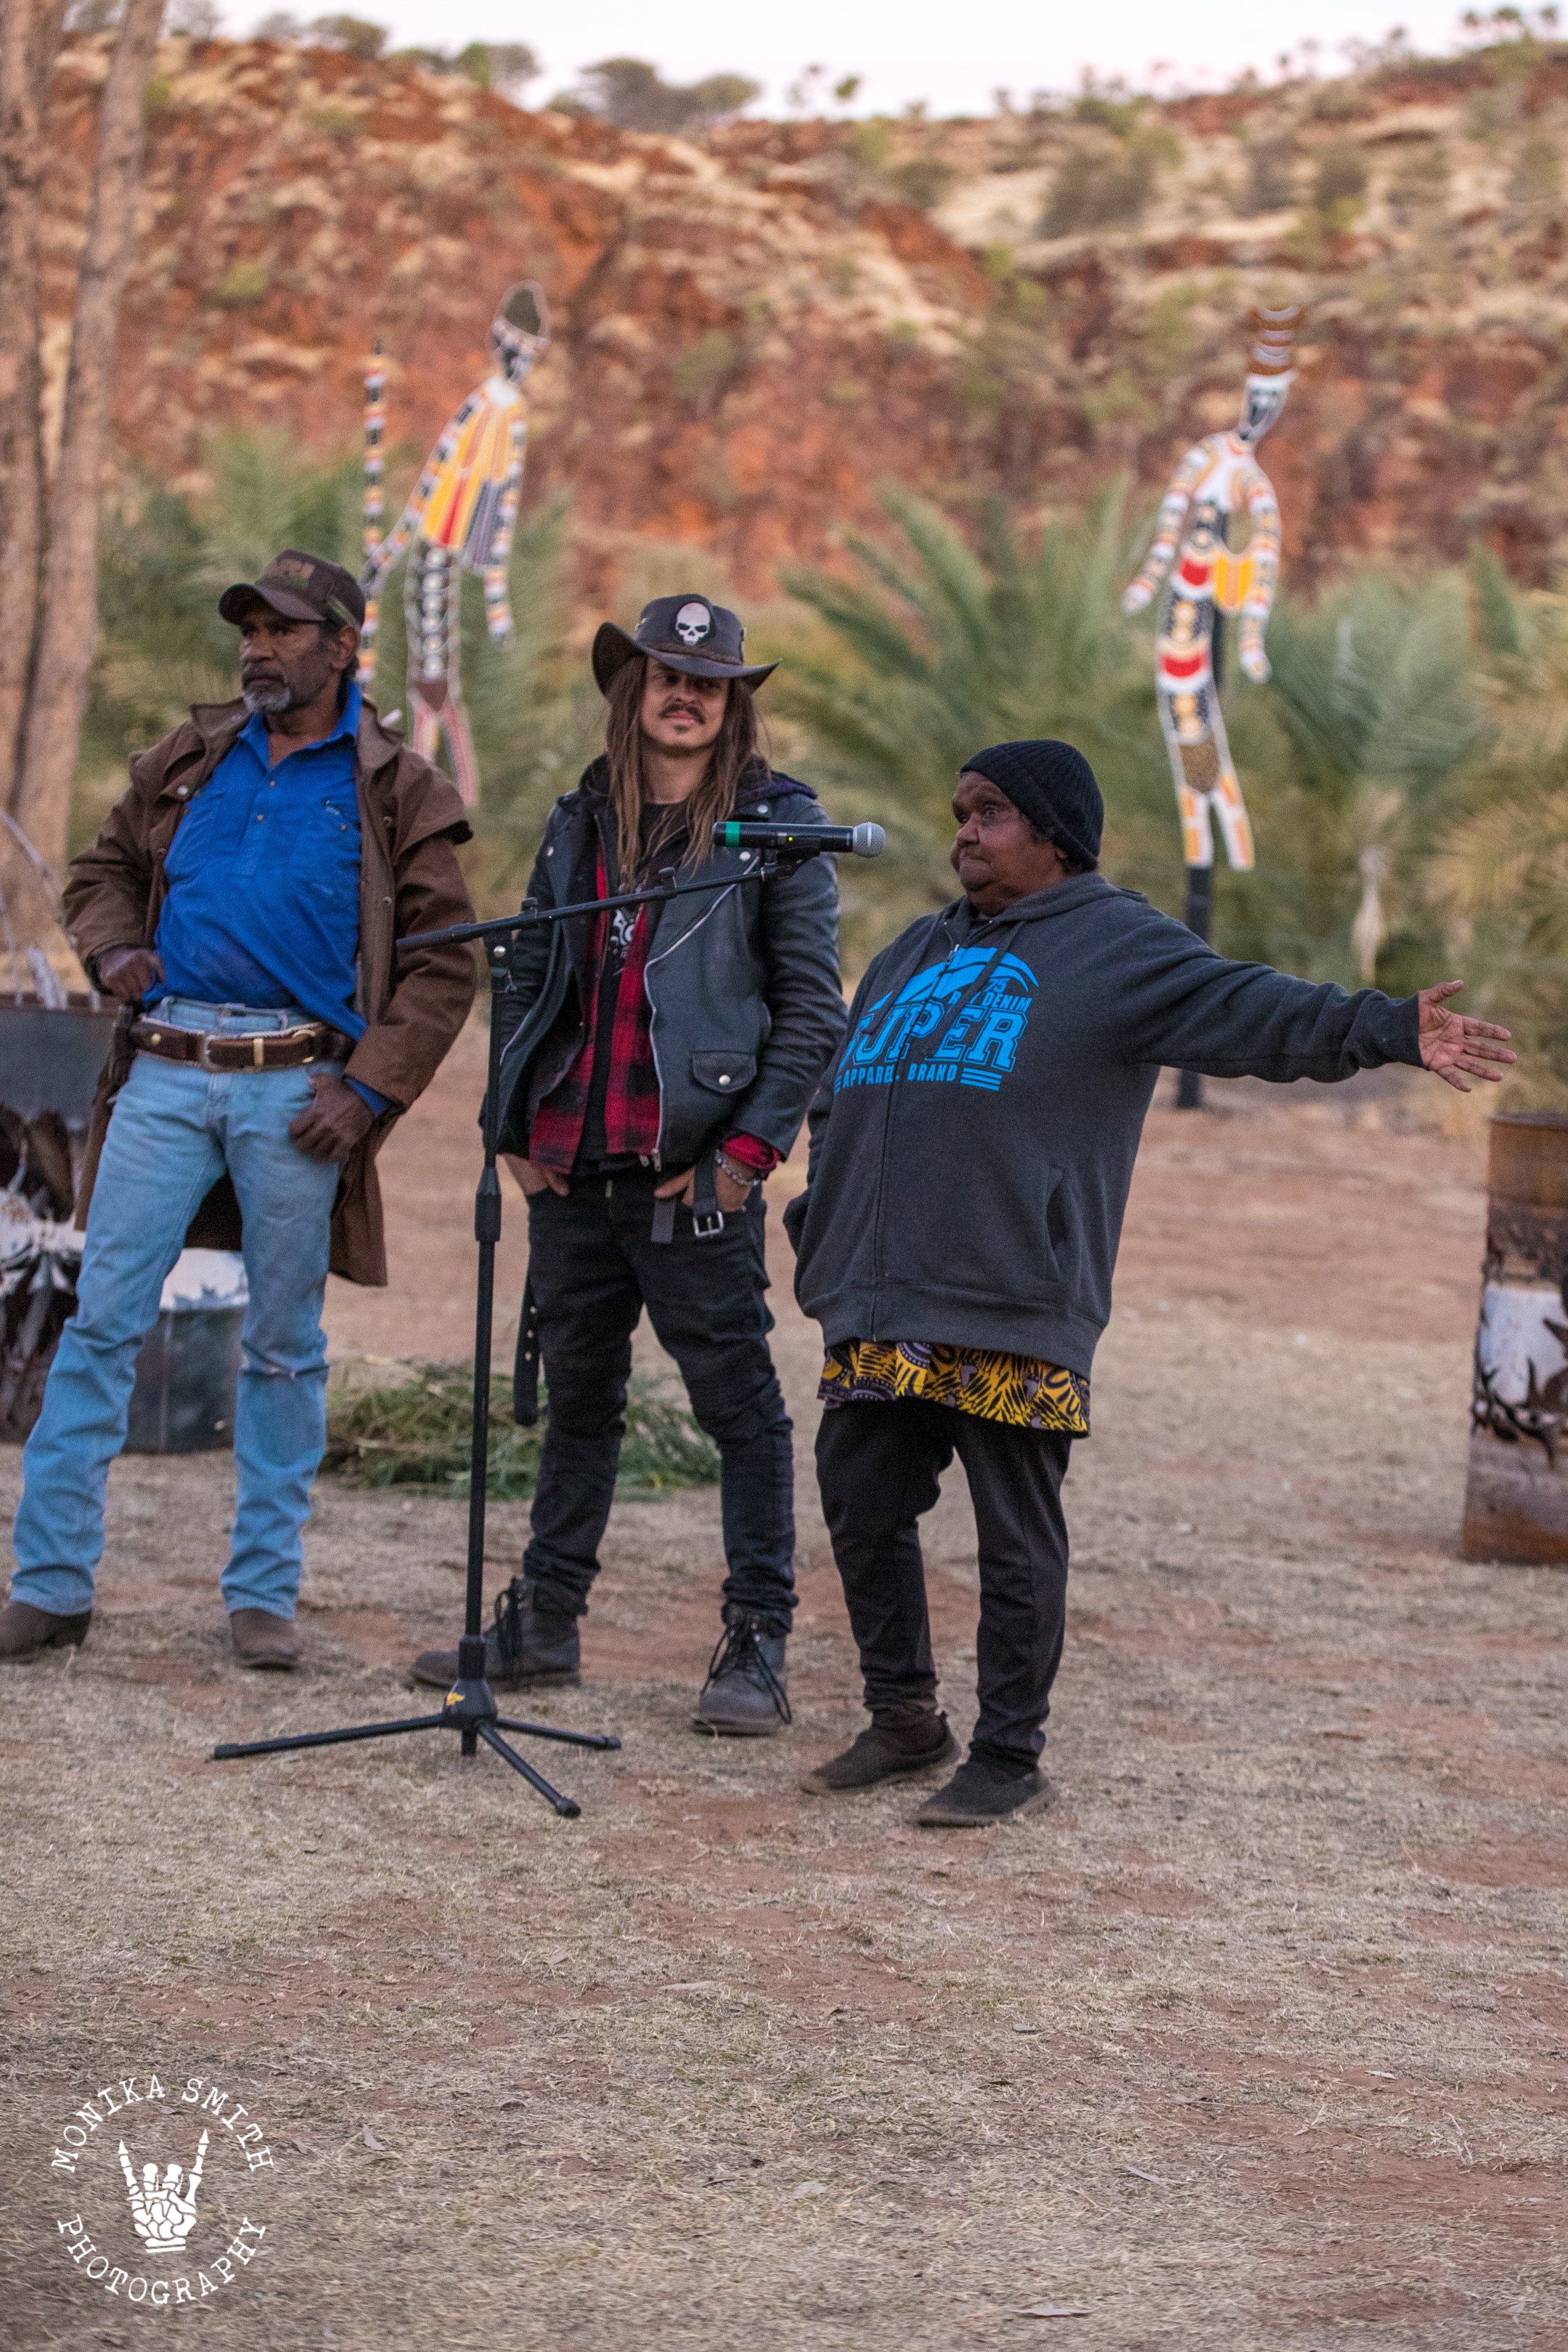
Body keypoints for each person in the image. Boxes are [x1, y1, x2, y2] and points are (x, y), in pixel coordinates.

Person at [787, 739, 1515, 1826]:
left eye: (989, 814)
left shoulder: (1119, 947)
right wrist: (824, 1217)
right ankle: (904, 1717)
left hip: (1013, 1294)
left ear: (1055, 833)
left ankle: (1008, 1754)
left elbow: (1256, 1011)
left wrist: (1389, 1028)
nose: (963, 835)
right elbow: (843, 1093)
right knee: (861, 1497)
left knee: (1014, 1532)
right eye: (960, 813)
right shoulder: (912, 950)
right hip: (884, 1294)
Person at [0, 550, 476, 1670]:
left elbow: (444, 968)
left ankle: (263, 1597)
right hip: (162, 1073)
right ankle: (50, 1586)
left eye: (284, 630)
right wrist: (114, 945)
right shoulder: (193, 755)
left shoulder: (397, 785)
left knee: (282, 1347)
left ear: (344, 647)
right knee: (100, 1324)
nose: (259, 648)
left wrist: (364, 1093)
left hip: (298, 1094)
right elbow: (99, 869)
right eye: (250, 629)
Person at [411, 594, 845, 1731]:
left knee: (740, 1412)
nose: (687, 695)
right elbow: (525, 975)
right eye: (666, 675)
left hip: (693, 1171)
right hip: (571, 1164)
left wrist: (745, 1158)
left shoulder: (780, 829)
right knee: (580, 1406)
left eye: (711, 680)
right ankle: (545, 1621)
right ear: (631, 689)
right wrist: (510, 1125)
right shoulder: (581, 818)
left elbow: (811, 1013)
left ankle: (757, 1644)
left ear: (734, 699)